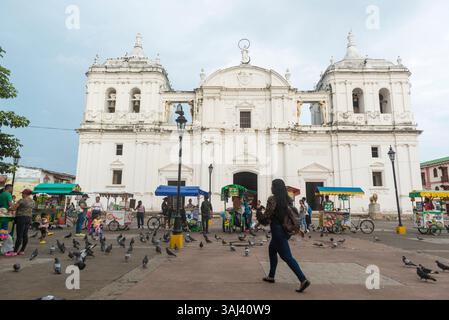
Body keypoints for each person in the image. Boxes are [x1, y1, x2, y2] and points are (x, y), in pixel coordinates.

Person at [261, 179, 310, 293]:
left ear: (275, 188)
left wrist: (259, 215)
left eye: (272, 186)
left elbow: (267, 215)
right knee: (272, 250)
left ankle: (303, 279)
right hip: (285, 230)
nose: (271, 188)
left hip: (277, 230)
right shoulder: (287, 199)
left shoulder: (272, 199)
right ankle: (271, 276)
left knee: (287, 256)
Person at [9, 189, 34, 256]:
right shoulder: (32, 201)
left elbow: (13, 208)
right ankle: (22, 250)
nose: (22, 195)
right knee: (25, 234)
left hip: (21, 218)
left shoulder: (22, 200)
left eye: (22, 193)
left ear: (25, 194)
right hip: (28, 218)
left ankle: (15, 251)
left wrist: (10, 207)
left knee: (19, 235)